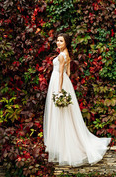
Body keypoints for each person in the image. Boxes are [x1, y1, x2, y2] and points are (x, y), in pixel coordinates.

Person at [43, 33, 111, 166]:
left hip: (58, 83)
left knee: (61, 114)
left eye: (61, 41)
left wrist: (59, 90)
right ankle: (62, 144)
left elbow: (62, 73)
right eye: (57, 41)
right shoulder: (66, 54)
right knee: (65, 115)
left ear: (66, 43)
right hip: (61, 82)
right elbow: (68, 73)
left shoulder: (62, 56)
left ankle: (64, 146)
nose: (58, 43)